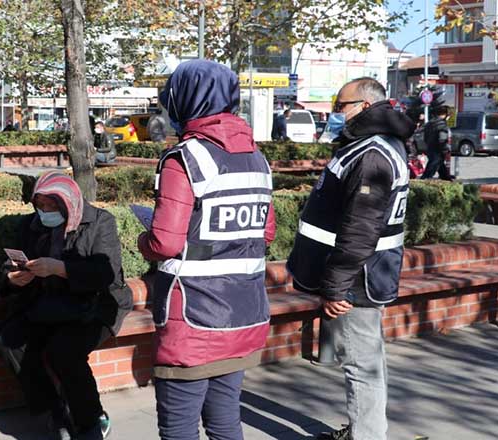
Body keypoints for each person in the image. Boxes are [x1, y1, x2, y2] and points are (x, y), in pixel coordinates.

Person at [138, 59, 276, 440]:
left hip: (192, 318)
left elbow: (165, 242)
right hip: (243, 311)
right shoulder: (257, 159)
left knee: (180, 428)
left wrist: (143, 240)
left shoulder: (184, 160)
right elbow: (265, 233)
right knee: (226, 422)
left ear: (186, 99)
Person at [286, 78, 414, 440]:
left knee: (361, 363)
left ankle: (367, 435)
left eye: (341, 106)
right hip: (366, 272)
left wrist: (335, 287)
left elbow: (360, 229)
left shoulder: (373, 154)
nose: (335, 112)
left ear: (366, 106)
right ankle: (365, 429)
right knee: (368, 359)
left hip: (358, 278)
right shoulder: (376, 145)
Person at [0, 171, 133, 440]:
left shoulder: (100, 222)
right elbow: (10, 265)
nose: (45, 211)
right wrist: (15, 278)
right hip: (47, 303)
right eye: (40, 205)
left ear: (68, 202)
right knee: (11, 340)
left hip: (94, 305)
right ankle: (55, 410)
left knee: (64, 351)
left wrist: (61, 269)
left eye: (51, 205)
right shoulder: (31, 225)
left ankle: (90, 422)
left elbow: (105, 274)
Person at [420, 106, 453, 180]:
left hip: (429, 147)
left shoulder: (429, 123)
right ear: (445, 114)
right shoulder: (442, 125)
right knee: (431, 168)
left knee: (440, 165)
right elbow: (442, 139)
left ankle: (446, 178)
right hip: (438, 150)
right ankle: (424, 180)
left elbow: (425, 137)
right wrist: (445, 150)